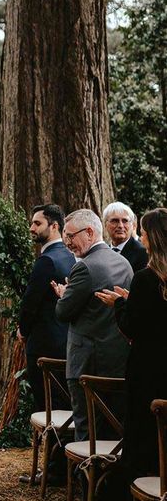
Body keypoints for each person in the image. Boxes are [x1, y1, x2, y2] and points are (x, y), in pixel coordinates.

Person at [96, 207, 167, 483]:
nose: (142, 237)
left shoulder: (146, 278)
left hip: (147, 368)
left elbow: (131, 327)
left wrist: (121, 303)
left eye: (145, 233)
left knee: (143, 432)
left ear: (154, 238)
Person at [54, 208, 132, 444]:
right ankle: (109, 480)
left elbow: (62, 312)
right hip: (118, 361)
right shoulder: (124, 263)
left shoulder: (84, 267)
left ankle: (84, 479)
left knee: (86, 428)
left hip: (86, 364)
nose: (68, 243)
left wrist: (64, 294)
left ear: (89, 232)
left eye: (70, 236)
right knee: (113, 428)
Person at [17, 203, 74, 411]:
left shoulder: (47, 261)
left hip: (44, 345)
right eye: (32, 223)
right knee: (64, 403)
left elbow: (30, 303)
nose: (32, 228)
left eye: (37, 223)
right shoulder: (70, 256)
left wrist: (23, 330)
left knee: (46, 403)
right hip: (67, 341)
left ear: (55, 226)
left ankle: (52, 444)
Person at [102, 201, 149, 272]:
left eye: (125, 221)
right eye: (115, 221)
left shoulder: (142, 253)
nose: (120, 226)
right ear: (105, 225)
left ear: (132, 225)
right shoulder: (103, 253)